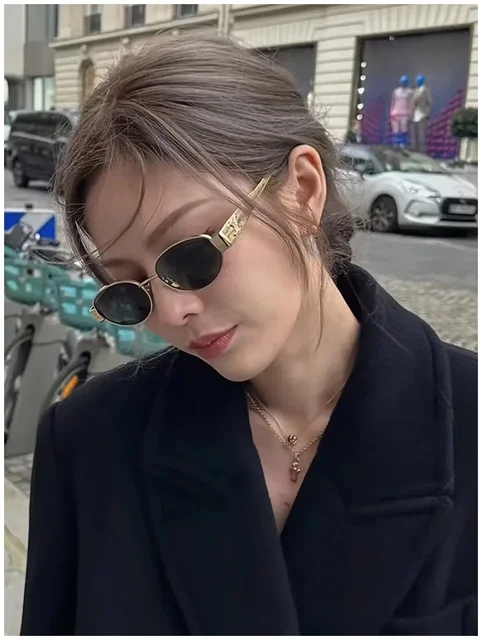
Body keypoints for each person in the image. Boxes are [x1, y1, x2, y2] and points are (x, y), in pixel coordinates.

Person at [21, 31, 476, 636]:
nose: (173, 312)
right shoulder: (89, 441)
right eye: (129, 291)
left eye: (191, 254)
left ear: (303, 190)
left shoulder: (467, 420)